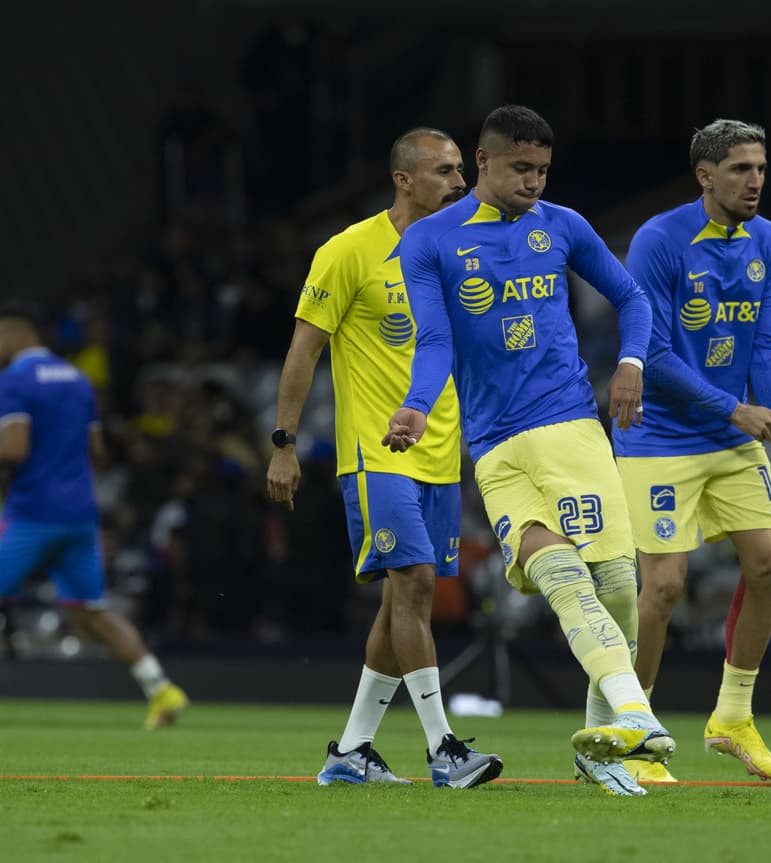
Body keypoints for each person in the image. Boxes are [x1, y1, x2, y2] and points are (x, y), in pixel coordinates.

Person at [384, 105, 671, 797]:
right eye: (521, 168)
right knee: (561, 578)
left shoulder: (562, 226)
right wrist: (418, 405)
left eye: (542, 169)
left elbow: (632, 298)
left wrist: (630, 363)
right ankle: (635, 716)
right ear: (482, 161)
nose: (534, 181)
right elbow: (435, 340)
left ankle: (605, 740)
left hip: (568, 427)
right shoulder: (429, 241)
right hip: (493, 446)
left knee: (616, 587)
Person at [266, 127, 502, 789]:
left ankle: (351, 750)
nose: (459, 181)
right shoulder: (349, 250)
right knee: (417, 584)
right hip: (377, 452)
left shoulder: (465, 248)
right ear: (403, 179)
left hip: (441, 456)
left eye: (460, 170)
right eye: (444, 170)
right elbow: (304, 349)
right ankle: (444, 749)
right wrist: (283, 444)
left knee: (401, 601)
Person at [612, 119, 771, 783]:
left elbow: (765, 345)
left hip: (732, 438)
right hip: (659, 438)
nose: (755, 181)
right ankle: (634, 734)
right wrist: (734, 408)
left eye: (761, 169)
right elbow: (653, 353)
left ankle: (732, 716)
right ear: (705, 175)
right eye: (739, 170)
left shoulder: (769, 239)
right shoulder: (659, 240)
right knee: (664, 586)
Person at [0, 302, 189, 730]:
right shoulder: (79, 380)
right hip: (80, 515)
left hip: (33, 513)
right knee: (91, 613)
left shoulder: (13, 381)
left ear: (14, 334)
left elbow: (14, 448)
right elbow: (98, 451)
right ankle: (161, 687)